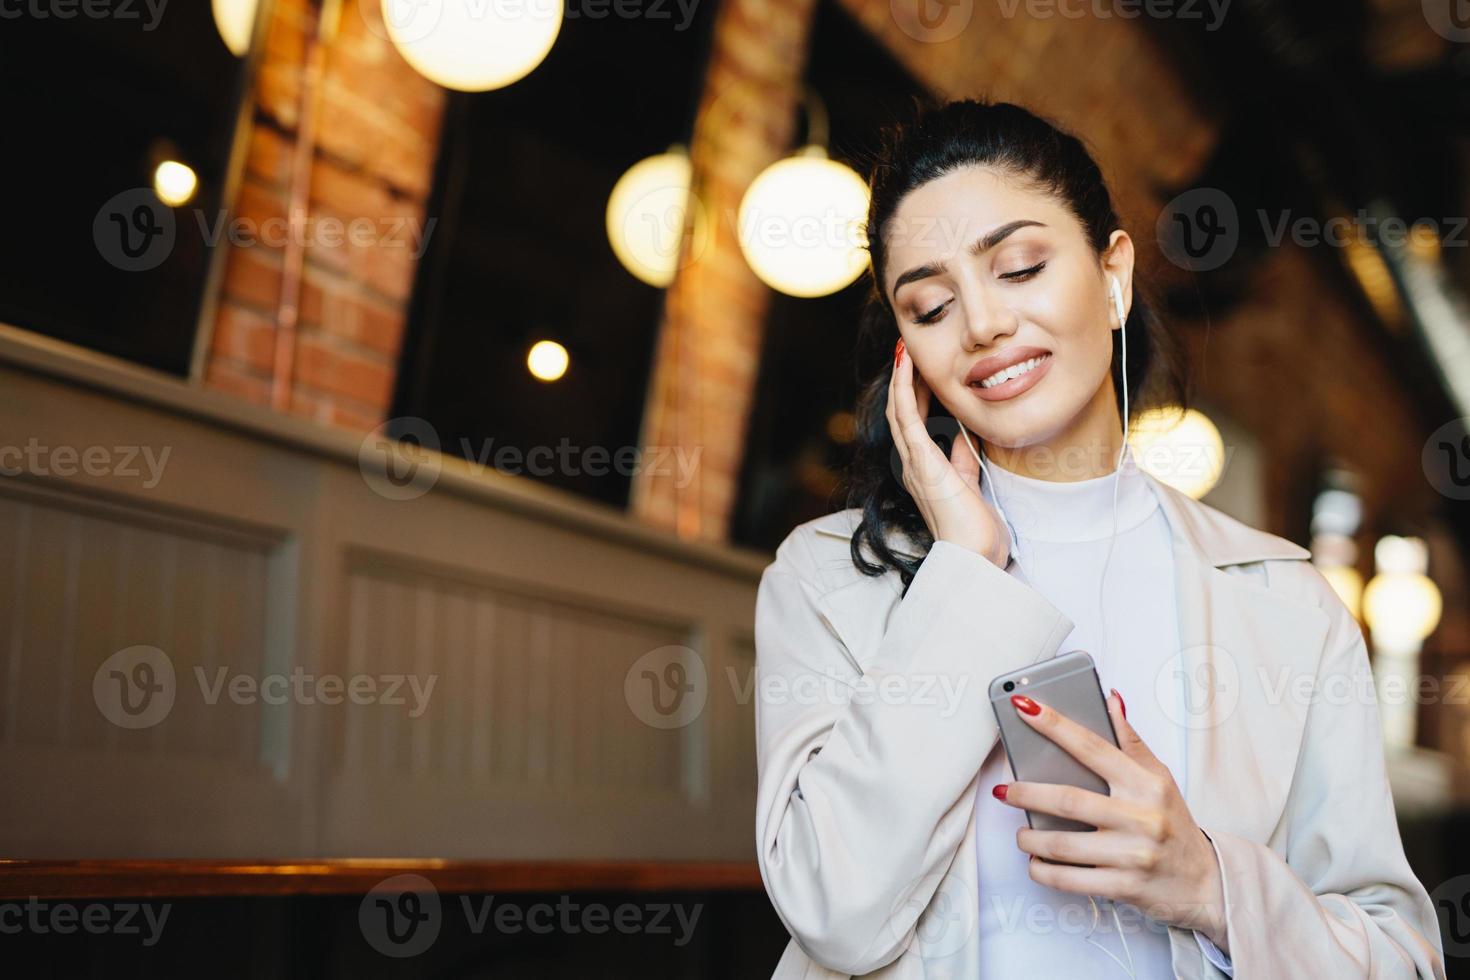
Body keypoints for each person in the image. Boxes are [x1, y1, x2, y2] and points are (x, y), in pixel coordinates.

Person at [752, 99, 1446, 979]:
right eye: (929, 307)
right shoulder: (826, 578)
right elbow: (833, 915)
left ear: (1113, 275)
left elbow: (1403, 956)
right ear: (906, 353)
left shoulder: (1284, 600)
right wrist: (966, 569)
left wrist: (1209, 883)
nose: (983, 325)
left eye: (1020, 267)